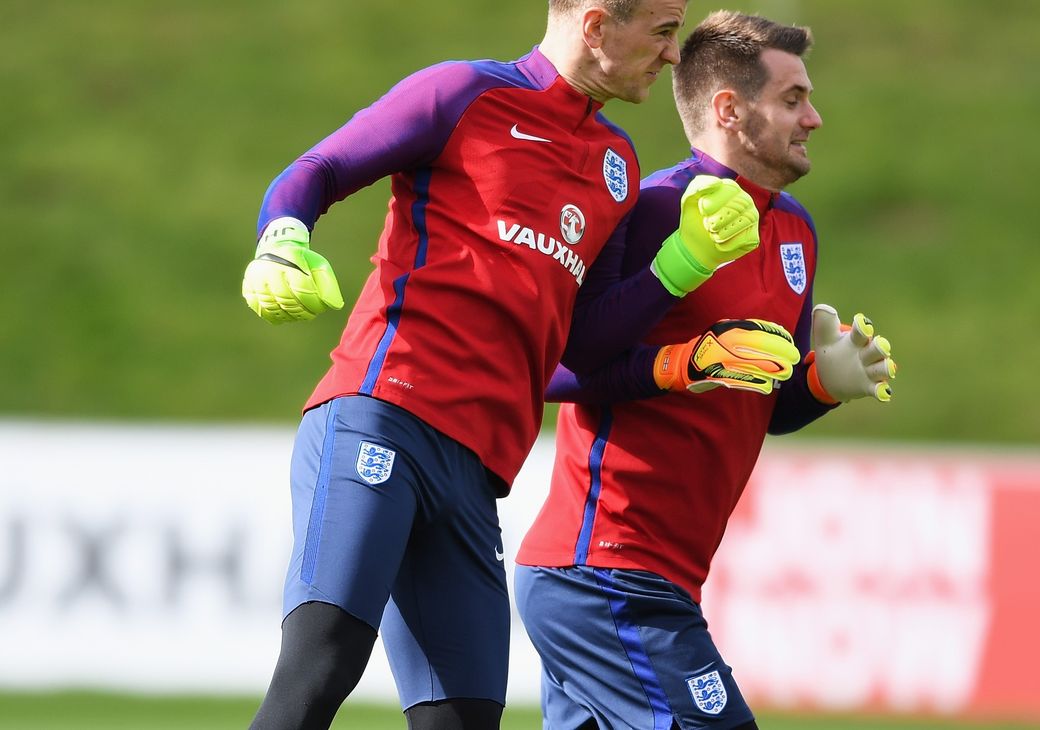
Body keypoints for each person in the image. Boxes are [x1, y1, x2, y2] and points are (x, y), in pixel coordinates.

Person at [235, 2, 774, 728]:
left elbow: (582, 349)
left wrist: (683, 263)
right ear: (594, 27)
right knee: (322, 661)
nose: (675, 55)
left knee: (463, 721)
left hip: (474, 473)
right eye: (661, 32)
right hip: (381, 416)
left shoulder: (617, 167)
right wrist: (282, 237)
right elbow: (320, 167)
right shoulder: (464, 94)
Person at [515, 10, 898, 730]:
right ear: (728, 108)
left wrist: (820, 383)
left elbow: (765, 403)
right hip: (604, 569)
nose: (813, 118)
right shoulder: (655, 207)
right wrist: (680, 363)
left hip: (656, 580)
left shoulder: (795, 231)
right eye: (792, 99)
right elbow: (557, 366)